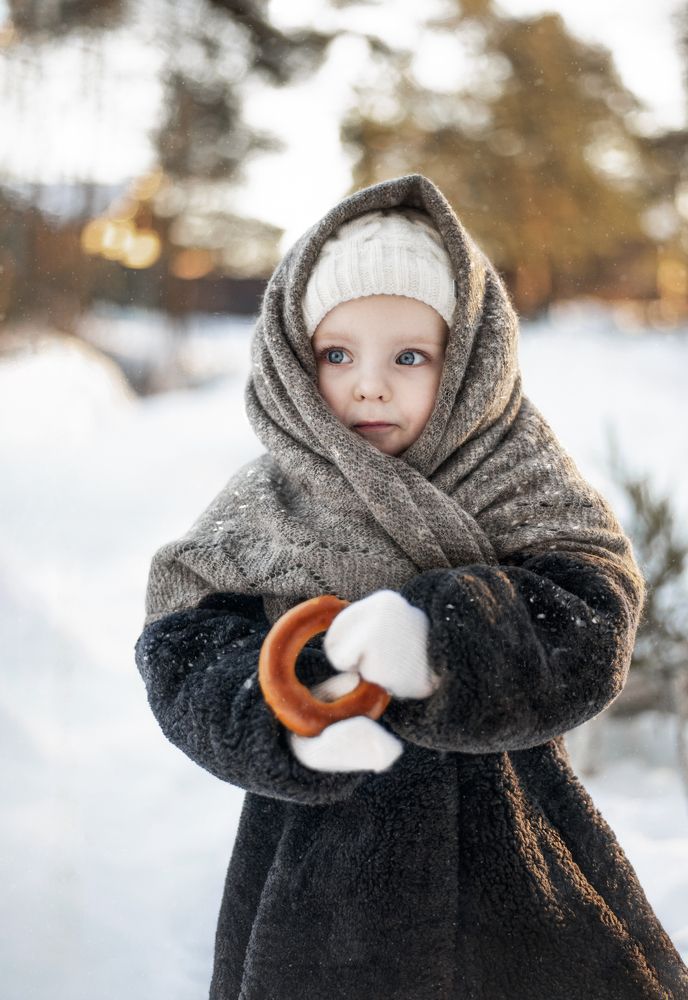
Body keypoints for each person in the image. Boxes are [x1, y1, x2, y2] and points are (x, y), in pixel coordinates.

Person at [134, 173, 688, 1000]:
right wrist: (284, 723)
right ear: (295, 357)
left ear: (465, 360)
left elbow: (591, 607)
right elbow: (186, 648)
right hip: (317, 878)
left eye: (409, 356)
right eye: (337, 354)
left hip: (515, 847)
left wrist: (446, 639)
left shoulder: (509, 465)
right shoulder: (271, 498)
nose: (370, 384)